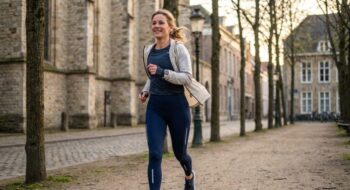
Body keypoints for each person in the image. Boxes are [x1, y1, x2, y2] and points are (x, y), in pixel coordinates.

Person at [138, 9, 195, 190]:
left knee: (180, 153)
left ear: (170, 27)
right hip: (156, 107)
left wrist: (163, 73)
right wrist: (146, 91)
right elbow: (151, 76)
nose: (157, 26)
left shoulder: (178, 49)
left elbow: (187, 78)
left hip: (178, 106)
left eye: (161, 22)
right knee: (155, 154)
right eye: (154, 23)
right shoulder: (148, 50)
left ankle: (189, 176)